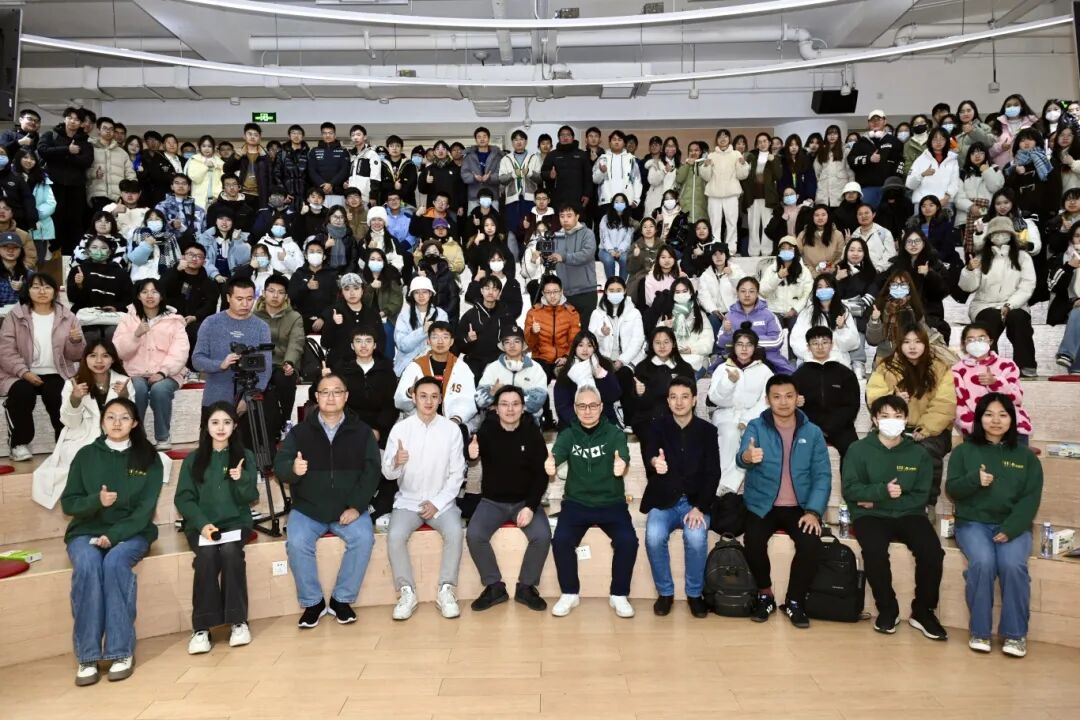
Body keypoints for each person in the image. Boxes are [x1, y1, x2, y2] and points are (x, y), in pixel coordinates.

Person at [61, 397, 163, 686]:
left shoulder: (148, 458)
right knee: (88, 565)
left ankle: (120, 652)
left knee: (115, 563)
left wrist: (115, 536)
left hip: (132, 532)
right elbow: (69, 503)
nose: (117, 423)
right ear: (102, 422)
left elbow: (144, 510)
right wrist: (97, 501)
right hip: (86, 530)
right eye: (111, 417)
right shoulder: (86, 455)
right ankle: (88, 657)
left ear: (135, 423)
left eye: (124, 417)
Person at [275, 374, 381, 628]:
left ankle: (341, 599)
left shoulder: (362, 432)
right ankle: (313, 602)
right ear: (316, 397)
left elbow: (372, 472)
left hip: (348, 508)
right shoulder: (300, 432)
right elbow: (281, 466)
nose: (331, 397)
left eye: (337, 391)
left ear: (346, 396)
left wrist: (356, 506)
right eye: (325, 392)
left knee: (363, 538)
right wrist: (293, 470)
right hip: (308, 508)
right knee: (297, 542)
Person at [946, 392, 1043, 658]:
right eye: (989, 414)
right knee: (983, 563)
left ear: (1012, 419)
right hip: (972, 524)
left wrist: (1011, 529)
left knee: (1013, 566)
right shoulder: (963, 451)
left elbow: (1030, 499)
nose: (996, 420)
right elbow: (952, 489)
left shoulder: (1026, 457)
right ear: (979, 419)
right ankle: (980, 632)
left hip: (1013, 525)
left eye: (1003, 414)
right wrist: (973, 480)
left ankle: (1015, 635)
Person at [842, 394, 947, 639]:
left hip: (909, 513)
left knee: (932, 551)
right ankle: (887, 609)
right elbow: (850, 490)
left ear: (906, 419)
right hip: (870, 515)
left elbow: (921, 496)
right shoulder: (858, 450)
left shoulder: (918, 453)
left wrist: (877, 498)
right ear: (874, 420)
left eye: (898, 416)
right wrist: (882, 492)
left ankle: (923, 612)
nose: (892, 420)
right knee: (874, 551)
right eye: (885, 416)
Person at [737, 374, 830, 628]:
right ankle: (764, 594)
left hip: (801, 507)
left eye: (789, 396)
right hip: (762, 504)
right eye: (776, 397)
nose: (783, 402)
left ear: (798, 398)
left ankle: (794, 601)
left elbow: (822, 475)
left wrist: (813, 511)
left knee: (811, 543)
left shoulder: (812, 432)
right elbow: (741, 456)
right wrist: (747, 457)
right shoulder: (756, 426)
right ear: (768, 400)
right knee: (753, 540)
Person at [175, 402, 258, 654]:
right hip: (201, 527)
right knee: (207, 556)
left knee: (231, 553)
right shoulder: (193, 459)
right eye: (215, 422)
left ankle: (238, 621)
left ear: (234, 426)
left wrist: (241, 479)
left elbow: (250, 497)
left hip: (235, 523)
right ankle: (202, 628)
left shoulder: (245, 456)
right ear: (206, 426)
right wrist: (201, 524)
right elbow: (184, 499)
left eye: (226, 422)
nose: (221, 428)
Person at [382, 376, 467, 621]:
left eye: (434, 397)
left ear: (440, 400)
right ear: (414, 398)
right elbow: (388, 473)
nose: (428, 401)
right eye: (423, 396)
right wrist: (396, 462)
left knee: (455, 532)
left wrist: (437, 503)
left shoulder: (451, 430)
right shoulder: (401, 429)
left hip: (442, 503)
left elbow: (457, 474)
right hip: (408, 501)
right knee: (395, 536)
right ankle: (406, 592)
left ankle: (446, 590)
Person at [548, 385, 637, 618]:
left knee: (628, 541)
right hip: (576, 503)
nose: (587, 411)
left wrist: (622, 464)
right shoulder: (568, 434)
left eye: (593, 405)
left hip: (612, 503)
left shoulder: (615, 434)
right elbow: (557, 454)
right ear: (575, 409)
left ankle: (619, 594)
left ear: (601, 407)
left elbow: (623, 455)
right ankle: (570, 593)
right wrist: (551, 462)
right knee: (561, 540)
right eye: (582, 406)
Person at [466, 385, 551, 612]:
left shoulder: (532, 433)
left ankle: (526, 587)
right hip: (492, 502)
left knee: (542, 536)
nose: (510, 409)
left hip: (524, 502)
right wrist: (470, 454)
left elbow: (541, 474)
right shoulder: (487, 430)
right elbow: (472, 452)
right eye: (504, 404)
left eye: (515, 404)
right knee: (474, 535)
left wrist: (531, 506)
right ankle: (494, 587)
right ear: (496, 408)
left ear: (523, 408)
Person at [642, 377, 720, 618]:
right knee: (654, 536)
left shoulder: (708, 431)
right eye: (673, 397)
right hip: (664, 500)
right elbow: (650, 455)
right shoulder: (657, 427)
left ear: (694, 400)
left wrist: (700, 507)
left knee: (696, 538)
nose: (679, 402)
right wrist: (655, 462)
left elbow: (713, 473)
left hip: (695, 502)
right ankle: (665, 593)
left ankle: (694, 594)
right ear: (667, 401)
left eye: (685, 397)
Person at [867, 324, 957, 516]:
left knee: (926, 450)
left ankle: (926, 504)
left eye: (917, 342)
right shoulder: (886, 366)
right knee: (873, 448)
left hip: (931, 429)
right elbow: (874, 396)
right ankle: (878, 499)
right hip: (893, 424)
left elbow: (945, 403)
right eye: (907, 342)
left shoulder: (940, 367)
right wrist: (893, 399)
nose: (912, 346)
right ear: (899, 344)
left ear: (926, 343)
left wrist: (925, 429)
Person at [31, 340, 132, 509]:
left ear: (113, 359)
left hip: (116, 436)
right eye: (93, 356)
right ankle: (91, 501)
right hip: (82, 437)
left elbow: (130, 420)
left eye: (105, 356)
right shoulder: (73, 383)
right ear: (85, 359)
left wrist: (125, 398)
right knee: (81, 458)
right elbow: (69, 422)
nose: (99, 361)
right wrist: (75, 399)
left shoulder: (124, 382)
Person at [0, 273, 85, 461]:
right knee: (22, 394)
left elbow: (76, 355)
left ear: (55, 291)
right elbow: (5, 351)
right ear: (28, 290)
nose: (42, 291)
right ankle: (19, 444)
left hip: (56, 372)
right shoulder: (15, 316)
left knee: (58, 395)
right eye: (36, 287)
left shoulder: (68, 316)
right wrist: (24, 372)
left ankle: (64, 444)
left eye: (47, 287)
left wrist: (75, 341)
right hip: (19, 373)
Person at [112, 278, 188, 450]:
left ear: (161, 295)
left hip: (168, 373)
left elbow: (180, 351)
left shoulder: (174, 321)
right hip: (135, 373)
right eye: (145, 292)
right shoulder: (127, 320)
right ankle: (137, 437)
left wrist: (163, 372)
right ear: (138, 296)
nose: (150, 296)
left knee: (159, 390)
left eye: (154, 291)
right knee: (137, 389)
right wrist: (135, 335)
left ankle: (163, 437)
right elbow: (119, 352)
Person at [957, 216, 1037, 376]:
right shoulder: (981, 257)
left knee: (1019, 319)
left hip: (1015, 304)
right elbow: (968, 287)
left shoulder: (1023, 257)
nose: (1000, 236)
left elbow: (1027, 286)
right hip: (984, 304)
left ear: (1011, 235)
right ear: (989, 236)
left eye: (1004, 232)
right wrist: (970, 270)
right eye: (995, 233)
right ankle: (988, 365)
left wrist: (1010, 304)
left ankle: (1025, 365)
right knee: (990, 320)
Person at [708, 324, 773, 496]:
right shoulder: (723, 368)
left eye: (749, 345)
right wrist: (729, 383)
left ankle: (727, 486)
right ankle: (718, 482)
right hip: (725, 414)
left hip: (754, 418)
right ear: (733, 346)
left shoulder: (764, 371)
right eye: (740, 344)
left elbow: (766, 400)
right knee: (730, 434)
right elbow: (714, 398)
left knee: (750, 441)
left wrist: (747, 420)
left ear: (755, 347)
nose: (744, 349)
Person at [191, 277, 272, 413]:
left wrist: (248, 398)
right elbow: (197, 360)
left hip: (249, 399)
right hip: (215, 398)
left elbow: (266, 367)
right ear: (228, 298)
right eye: (239, 299)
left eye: (250, 299)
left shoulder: (261, 327)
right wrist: (220, 365)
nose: (245, 304)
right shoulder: (210, 323)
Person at [952, 322, 1032, 442]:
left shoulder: (1007, 365)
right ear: (964, 344)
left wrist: (996, 383)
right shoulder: (957, 370)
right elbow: (958, 406)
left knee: (1016, 449)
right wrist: (977, 427)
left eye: (981, 338)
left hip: (1010, 426)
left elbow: (1017, 399)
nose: (976, 343)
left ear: (990, 341)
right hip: (975, 428)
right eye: (971, 339)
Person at [792, 326, 861, 462]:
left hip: (841, 427)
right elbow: (790, 404)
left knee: (853, 452)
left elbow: (852, 405)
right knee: (798, 452)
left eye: (824, 342)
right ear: (808, 347)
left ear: (832, 344)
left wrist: (831, 427)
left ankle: (848, 478)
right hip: (809, 427)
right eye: (815, 343)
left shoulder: (845, 373)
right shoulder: (798, 375)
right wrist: (795, 403)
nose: (820, 347)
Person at [394, 321, 479, 431]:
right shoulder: (415, 366)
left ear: (452, 341)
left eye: (445, 337)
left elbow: (468, 401)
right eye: (435, 337)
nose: (440, 341)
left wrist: (454, 420)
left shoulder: (462, 368)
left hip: (451, 424)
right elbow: (399, 402)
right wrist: (410, 392)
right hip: (419, 424)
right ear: (428, 341)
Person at [252, 274, 305, 435]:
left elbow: (296, 343)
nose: (275, 296)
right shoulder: (253, 316)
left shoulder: (294, 317)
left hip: (282, 362)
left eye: (280, 292)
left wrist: (290, 362)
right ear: (264, 293)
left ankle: (286, 420)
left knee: (285, 377)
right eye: (271, 291)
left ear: (286, 296)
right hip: (259, 363)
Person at [37, 107, 94, 254]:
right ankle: (53, 253)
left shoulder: (85, 141)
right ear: (65, 119)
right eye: (70, 118)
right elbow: (42, 151)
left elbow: (86, 161)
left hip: (76, 187)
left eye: (77, 119)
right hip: (54, 185)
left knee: (75, 221)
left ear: (81, 123)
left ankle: (72, 254)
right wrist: (67, 150)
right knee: (55, 218)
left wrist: (63, 156)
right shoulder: (51, 134)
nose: (73, 121)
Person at [630, 327, 695, 448]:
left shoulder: (684, 368)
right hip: (648, 419)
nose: (662, 346)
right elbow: (636, 406)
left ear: (673, 344)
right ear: (651, 345)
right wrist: (639, 394)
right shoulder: (642, 368)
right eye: (657, 343)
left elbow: (692, 398)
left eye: (666, 342)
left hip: (678, 417)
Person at [715, 276, 794, 373]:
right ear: (737, 293)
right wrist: (728, 333)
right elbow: (720, 343)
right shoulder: (729, 316)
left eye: (751, 291)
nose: (747, 295)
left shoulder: (768, 315)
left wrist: (750, 341)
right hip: (736, 359)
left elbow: (777, 341)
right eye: (743, 291)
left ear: (757, 293)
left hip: (766, 358)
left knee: (788, 376)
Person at [475, 324, 548, 423]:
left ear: (523, 345)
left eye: (516, 341)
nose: (512, 345)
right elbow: (479, 401)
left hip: (526, 419)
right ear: (503, 346)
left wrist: (502, 402)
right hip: (497, 419)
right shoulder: (492, 368)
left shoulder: (536, 368)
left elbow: (537, 401)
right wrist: (492, 392)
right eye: (507, 342)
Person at [336, 327, 397, 447]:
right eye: (358, 341)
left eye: (368, 341)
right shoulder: (341, 370)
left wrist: (378, 430)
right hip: (347, 427)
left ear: (375, 345)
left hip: (380, 431)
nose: (363, 345)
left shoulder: (387, 371)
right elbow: (338, 403)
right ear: (352, 346)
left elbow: (391, 405)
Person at [553, 329, 622, 430]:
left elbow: (614, 395)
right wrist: (581, 423)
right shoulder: (565, 371)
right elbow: (562, 406)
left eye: (589, 346)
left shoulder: (604, 365)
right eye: (580, 345)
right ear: (575, 348)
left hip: (602, 422)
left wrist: (602, 375)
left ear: (595, 348)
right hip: (573, 424)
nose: (585, 349)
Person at [790, 274, 860, 367]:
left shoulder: (843, 312)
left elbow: (853, 344)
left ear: (834, 290)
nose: (824, 290)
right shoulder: (807, 313)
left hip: (837, 362)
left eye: (827, 287)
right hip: (810, 361)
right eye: (820, 287)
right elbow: (796, 341)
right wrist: (815, 356)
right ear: (815, 291)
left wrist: (842, 329)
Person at [320, 272, 386, 369]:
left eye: (356, 288)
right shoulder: (335, 312)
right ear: (342, 292)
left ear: (362, 290)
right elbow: (325, 343)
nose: (352, 293)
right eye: (347, 289)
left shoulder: (372, 314)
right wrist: (332, 324)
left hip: (367, 365)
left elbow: (381, 342)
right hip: (340, 366)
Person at [456, 274, 517, 379]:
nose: (490, 292)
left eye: (495, 289)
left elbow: (514, 337)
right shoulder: (470, 315)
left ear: (499, 293)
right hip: (475, 359)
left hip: (499, 360)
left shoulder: (506, 315)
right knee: (470, 378)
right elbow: (458, 343)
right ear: (481, 291)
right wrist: (468, 339)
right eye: (487, 288)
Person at [548, 204, 598, 326]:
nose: (565, 220)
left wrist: (564, 257)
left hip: (586, 291)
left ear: (577, 216)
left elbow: (586, 254)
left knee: (586, 331)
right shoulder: (557, 236)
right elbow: (555, 259)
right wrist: (546, 257)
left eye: (569, 216)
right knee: (567, 333)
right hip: (565, 293)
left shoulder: (587, 233)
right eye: (562, 216)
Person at [848, 109, 904, 208]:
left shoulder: (894, 141)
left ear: (885, 121)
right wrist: (869, 159)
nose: (875, 122)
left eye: (878, 119)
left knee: (888, 215)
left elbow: (900, 162)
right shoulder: (860, 143)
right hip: (867, 188)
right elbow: (851, 160)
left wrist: (894, 183)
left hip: (889, 188)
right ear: (868, 123)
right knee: (866, 214)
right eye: (872, 120)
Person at [394, 276, 449, 376]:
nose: (421, 296)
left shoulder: (441, 315)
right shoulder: (404, 315)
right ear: (412, 295)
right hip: (408, 363)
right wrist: (422, 331)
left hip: (434, 363)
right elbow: (402, 345)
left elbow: (444, 343)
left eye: (424, 292)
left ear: (430, 293)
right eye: (416, 292)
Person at [287, 237, 340, 333]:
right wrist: (306, 287)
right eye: (311, 252)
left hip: (326, 321)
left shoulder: (332, 274)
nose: (315, 254)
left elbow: (336, 300)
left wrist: (323, 318)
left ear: (324, 256)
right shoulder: (298, 274)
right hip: (301, 321)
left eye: (319, 252)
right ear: (306, 256)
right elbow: (291, 297)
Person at [759, 237, 812, 331]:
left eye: (790, 248)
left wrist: (795, 309)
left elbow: (807, 293)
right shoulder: (771, 269)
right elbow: (762, 291)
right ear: (779, 251)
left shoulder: (804, 271)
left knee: (797, 330)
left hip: (795, 311)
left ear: (795, 251)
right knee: (774, 330)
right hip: (775, 310)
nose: (786, 251)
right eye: (783, 248)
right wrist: (778, 277)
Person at [742, 133, 782, 256]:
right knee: (753, 226)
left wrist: (773, 160)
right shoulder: (751, 158)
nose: (762, 144)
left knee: (767, 226)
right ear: (756, 145)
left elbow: (778, 176)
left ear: (769, 143)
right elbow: (745, 177)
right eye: (759, 142)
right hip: (752, 197)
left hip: (768, 198)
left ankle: (766, 252)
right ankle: (753, 252)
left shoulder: (775, 158)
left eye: (765, 141)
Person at [86, 117, 135, 212]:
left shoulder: (122, 152)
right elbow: (82, 170)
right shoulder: (90, 148)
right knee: (101, 220)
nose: (108, 131)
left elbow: (130, 173)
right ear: (98, 130)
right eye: (105, 128)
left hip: (118, 197)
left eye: (111, 129)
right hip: (97, 195)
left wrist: (131, 191)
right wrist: (94, 173)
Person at [540, 125, 593, 212]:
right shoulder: (552, 155)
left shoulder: (582, 155)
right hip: (557, 197)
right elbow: (543, 173)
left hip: (578, 198)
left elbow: (588, 176)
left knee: (578, 220)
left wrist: (587, 194)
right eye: (562, 135)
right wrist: (550, 175)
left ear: (573, 137)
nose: (565, 137)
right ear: (559, 138)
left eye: (568, 135)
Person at [307, 122, 350, 208]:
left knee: (338, 215)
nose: (327, 135)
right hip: (318, 194)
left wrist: (331, 184)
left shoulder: (343, 151)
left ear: (335, 135)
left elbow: (344, 170)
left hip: (338, 193)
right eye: (325, 133)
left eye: (330, 133)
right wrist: (323, 184)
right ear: (321, 135)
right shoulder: (314, 151)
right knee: (318, 216)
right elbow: (311, 170)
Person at [461, 126, 504, 212]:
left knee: (493, 219)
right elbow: (464, 174)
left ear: (488, 138)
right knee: (474, 219)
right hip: (474, 196)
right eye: (479, 137)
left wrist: (490, 178)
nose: (482, 139)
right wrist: (474, 177)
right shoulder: (468, 156)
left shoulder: (497, 156)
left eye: (484, 136)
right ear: (476, 140)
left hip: (492, 195)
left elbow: (501, 174)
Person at [598, 193, 635, 282]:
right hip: (605, 250)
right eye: (616, 201)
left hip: (623, 250)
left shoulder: (629, 220)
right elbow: (604, 237)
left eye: (622, 202)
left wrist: (620, 250)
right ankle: (611, 283)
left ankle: (622, 284)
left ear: (626, 204)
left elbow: (627, 239)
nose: (619, 204)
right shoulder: (605, 218)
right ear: (613, 204)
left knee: (625, 259)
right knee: (608, 260)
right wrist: (611, 250)